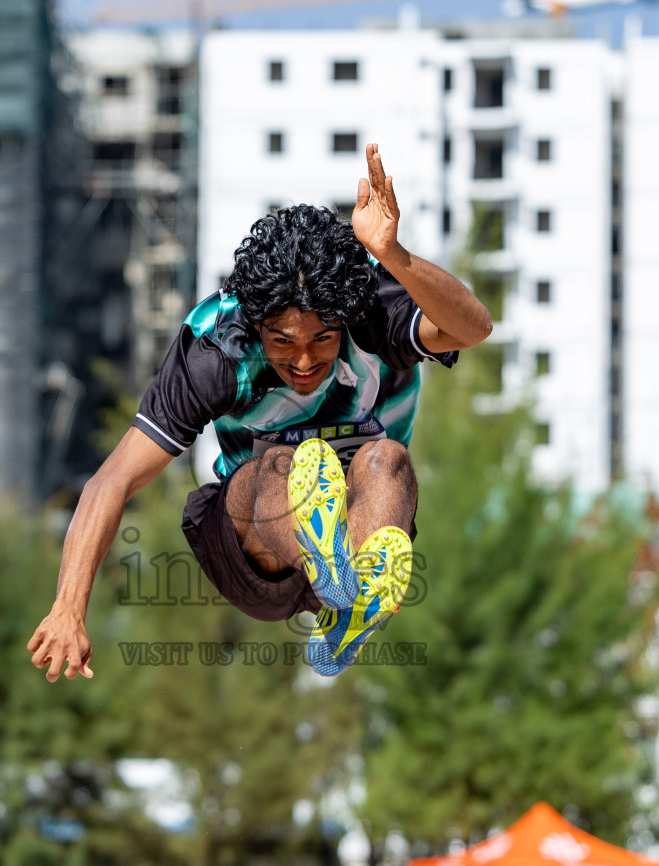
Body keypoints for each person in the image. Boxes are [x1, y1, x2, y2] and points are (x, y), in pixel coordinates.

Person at [28, 144, 492, 680]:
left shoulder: (370, 304)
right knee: (281, 464)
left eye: (323, 339)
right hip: (254, 550)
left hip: (362, 516)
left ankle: (350, 603)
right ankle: (322, 557)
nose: (303, 360)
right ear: (255, 327)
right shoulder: (218, 351)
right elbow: (111, 480)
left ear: (344, 319)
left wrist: (394, 255)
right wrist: (68, 606)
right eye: (282, 341)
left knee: (387, 458)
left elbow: (473, 328)